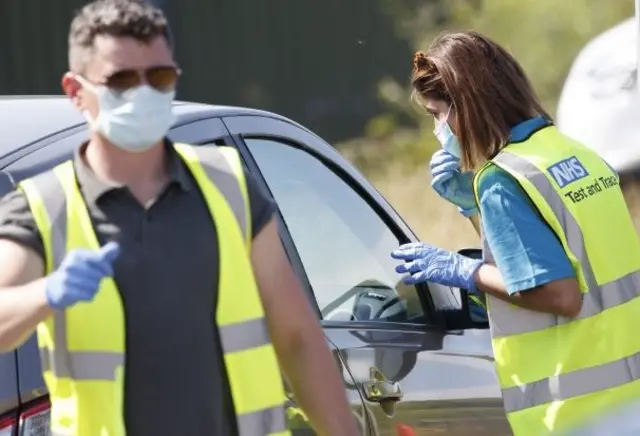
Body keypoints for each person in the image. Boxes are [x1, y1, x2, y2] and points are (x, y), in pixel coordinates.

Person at [0, 1, 358, 435]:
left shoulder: (228, 184)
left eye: (160, 77)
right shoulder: (43, 206)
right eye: (122, 80)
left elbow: (298, 338)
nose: (144, 94)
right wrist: (45, 293)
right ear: (76, 92)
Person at [390, 30, 640, 436]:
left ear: (468, 105)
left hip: (575, 413)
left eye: (438, 114)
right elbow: (546, 254)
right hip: (627, 398)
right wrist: (473, 207)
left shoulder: (502, 180)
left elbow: (560, 294)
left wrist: (462, 271)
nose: (439, 129)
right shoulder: (574, 153)